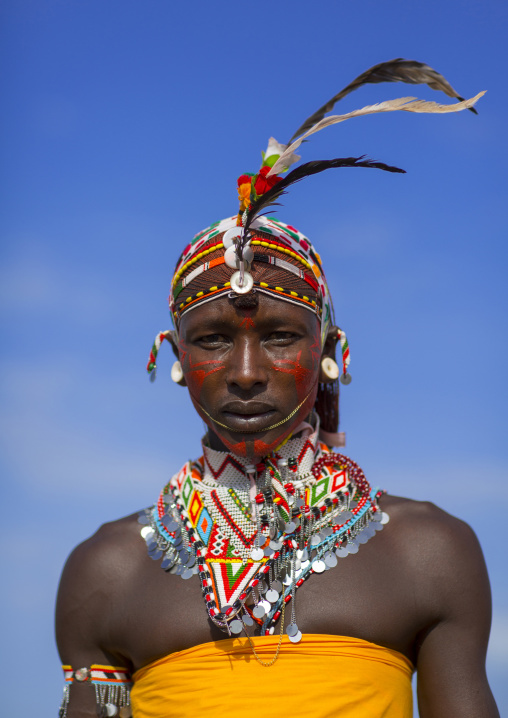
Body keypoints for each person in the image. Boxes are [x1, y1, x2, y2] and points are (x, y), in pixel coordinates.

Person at [55, 59, 498, 718]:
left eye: (281, 336)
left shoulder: (429, 553)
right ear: (174, 356)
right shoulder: (105, 572)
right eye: (211, 340)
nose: (244, 371)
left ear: (331, 353)